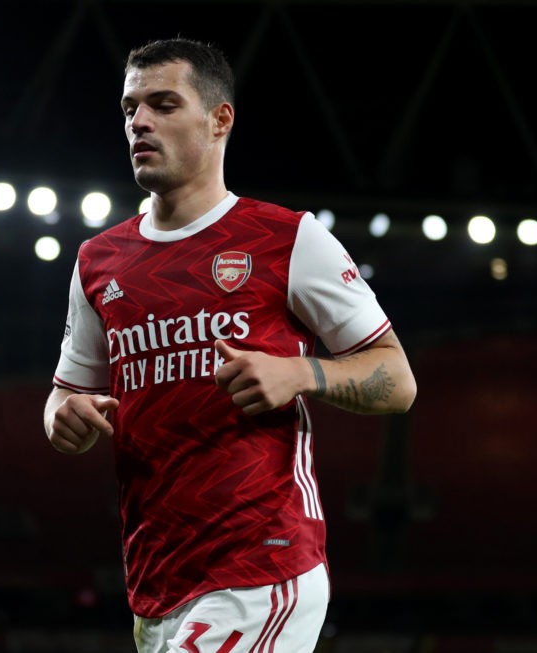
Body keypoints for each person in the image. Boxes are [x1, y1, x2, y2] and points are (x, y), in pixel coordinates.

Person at [43, 38, 416, 653]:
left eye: (163, 104)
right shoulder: (98, 262)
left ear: (220, 119)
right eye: (130, 108)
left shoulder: (288, 239)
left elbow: (398, 379)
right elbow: (65, 395)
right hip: (156, 577)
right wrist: (64, 417)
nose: (139, 121)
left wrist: (303, 376)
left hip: (260, 567)